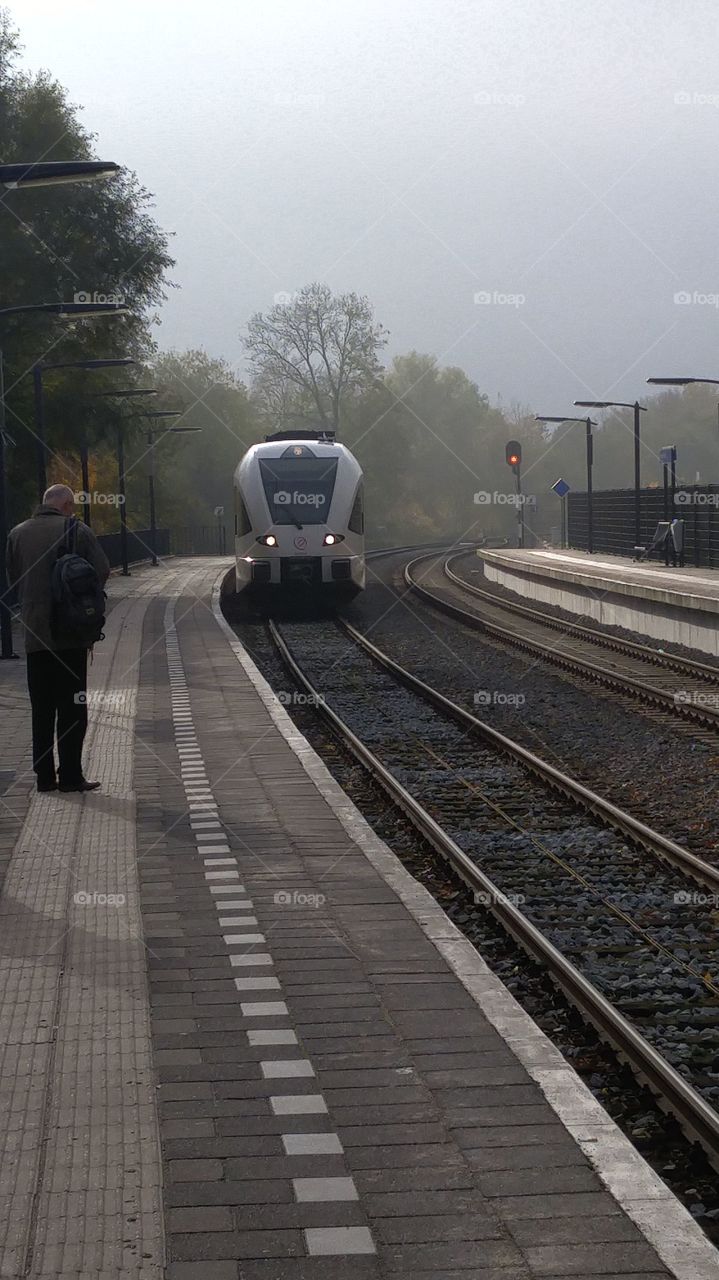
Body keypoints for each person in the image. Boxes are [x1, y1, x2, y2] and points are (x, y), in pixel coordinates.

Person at [6, 485, 110, 793]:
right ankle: (71, 776)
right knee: (73, 706)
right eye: (72, 506)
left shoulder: (17, 533)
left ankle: (44, 778)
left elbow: (14, 580)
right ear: (65, 504)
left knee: (41, 708)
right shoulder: (77, 530)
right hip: (71, 634)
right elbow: (101, 570)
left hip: (35, 636)